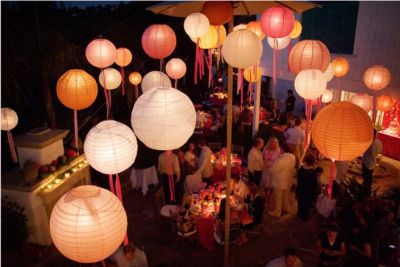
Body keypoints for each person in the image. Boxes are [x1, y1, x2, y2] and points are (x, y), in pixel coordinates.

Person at [268, 152, 296, 218]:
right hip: (287, 179)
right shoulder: (292, 156)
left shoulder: (282, 159)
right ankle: (286, 208)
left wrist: (270, 170)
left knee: (278, 197)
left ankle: (277, 212)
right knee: (285, 196)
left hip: (279, 181)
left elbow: (274, 169)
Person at [296, 155, 319, 221]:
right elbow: (314, 185)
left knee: (300, 202)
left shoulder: (301, 169)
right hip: (308, 192)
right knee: (306, 205)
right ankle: (304, 217)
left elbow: (298, 178)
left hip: (300, 189)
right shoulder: (313, 172)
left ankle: (299, 214)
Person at [261, 137, 282, 206]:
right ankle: (265, 199)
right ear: (270, 143)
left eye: (275, 142)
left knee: (271, 186)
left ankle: (269, 200)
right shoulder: (266, 149)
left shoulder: (279, 151)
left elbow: (279, 161)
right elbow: (262, 158)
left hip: (273, 171)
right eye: (272, 142)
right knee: (266, 186)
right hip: (266, 170)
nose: (274, 143)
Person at [361, 128, 382, 198]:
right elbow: (379, 152)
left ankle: (365, 195)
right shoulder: (379, 142)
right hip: (373, 163)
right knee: (369, 179)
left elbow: (362, 150)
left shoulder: (369, 143)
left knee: (366, 179)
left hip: (366, 163)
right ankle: (367, 194)